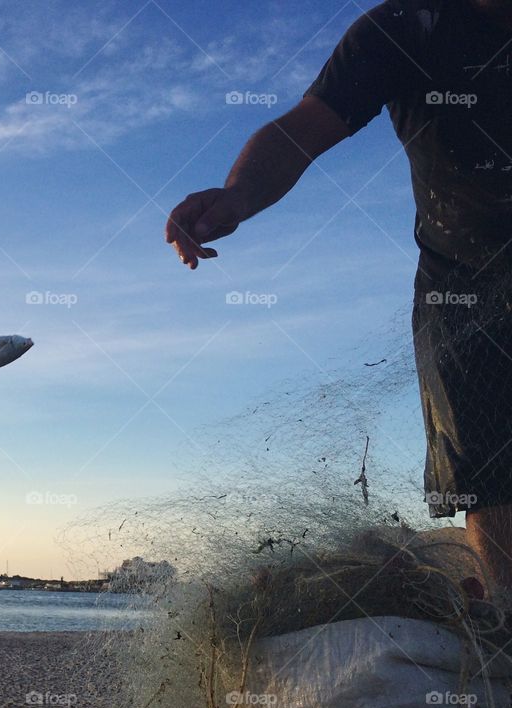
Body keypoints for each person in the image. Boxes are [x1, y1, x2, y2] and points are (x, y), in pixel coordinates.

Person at [166, 0, 512, 596]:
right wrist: (237, 194)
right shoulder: (402, 28)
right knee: (489, 478)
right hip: (461, 283)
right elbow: (304, 128)